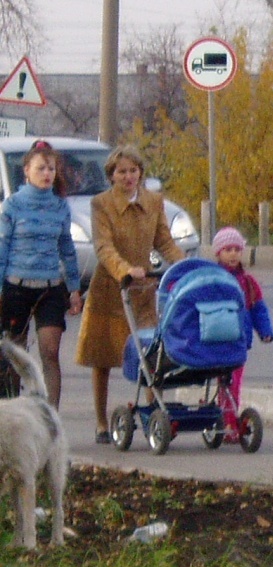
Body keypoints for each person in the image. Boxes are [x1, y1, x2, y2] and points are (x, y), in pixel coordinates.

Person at [74, 145, 185, 444]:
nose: (128, 177)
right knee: (103, 359)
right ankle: (100, 422)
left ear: (141, 173)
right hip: (110, 289)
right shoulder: (101, 204)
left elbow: (165, 241)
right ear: (111, 175)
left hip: (145, 290)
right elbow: (103, 247)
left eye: (133, 171)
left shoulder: (154, 202)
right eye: (121, 172)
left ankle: (153, 414)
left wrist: (184, 264)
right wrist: (124, 269)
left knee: (153, 356)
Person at [0, 139, 83, 407]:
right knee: (16, 353)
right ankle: (12, 412)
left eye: (51, 169)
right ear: (26, 171)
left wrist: (73, 289)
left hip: (49, 287)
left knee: (50, 352)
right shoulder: (13, 205)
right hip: (17, 286)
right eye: (41, 168)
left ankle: (51, 418)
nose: (47, 174)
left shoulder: (59, 207)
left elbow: (67, 249)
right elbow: (2, 247)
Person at [211, 227, 273, 442]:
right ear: (218, 253)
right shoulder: (213, 280)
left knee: (233, 383)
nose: (233, 254)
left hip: (239, 342)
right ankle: (227, 421)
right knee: (225, 383)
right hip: (217, 340)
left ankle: (229, 420)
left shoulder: (248, 283)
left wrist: (265, 331)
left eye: (237, 249)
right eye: (228, 249)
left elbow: (258, 309)